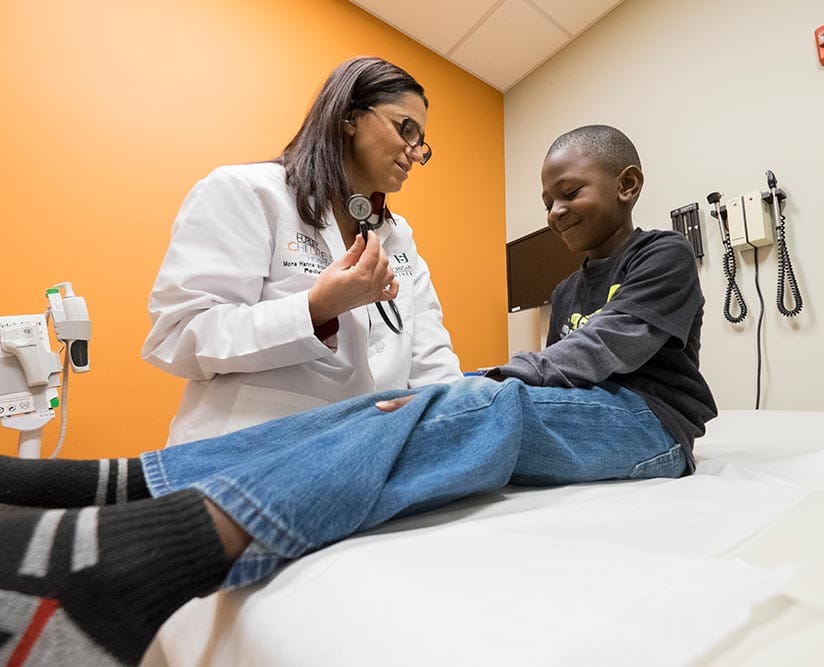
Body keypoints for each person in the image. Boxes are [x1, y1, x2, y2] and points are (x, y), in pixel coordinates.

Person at [0, 125, 717, 666]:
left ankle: (136, 562)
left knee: (486, 404)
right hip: (595, 415)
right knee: (384, 407)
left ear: (628, 185)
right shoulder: (566, 290)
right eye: (547, 199)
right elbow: (559, 375)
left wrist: (482, 384)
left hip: (652, 425)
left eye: (572, 193)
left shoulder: (662, 255)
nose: (556, 210)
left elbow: (595, 355)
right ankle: (103, 484)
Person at [141, 56, 462, 446]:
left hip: (360, 454)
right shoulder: (251, 192)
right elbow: (179, 337)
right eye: (405, 129)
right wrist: (314, 310)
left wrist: (444, 412)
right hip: (246, 451)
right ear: (349, 117)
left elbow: (432, 358)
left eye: (422, 143)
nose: (414, 152)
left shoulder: (399, 239)